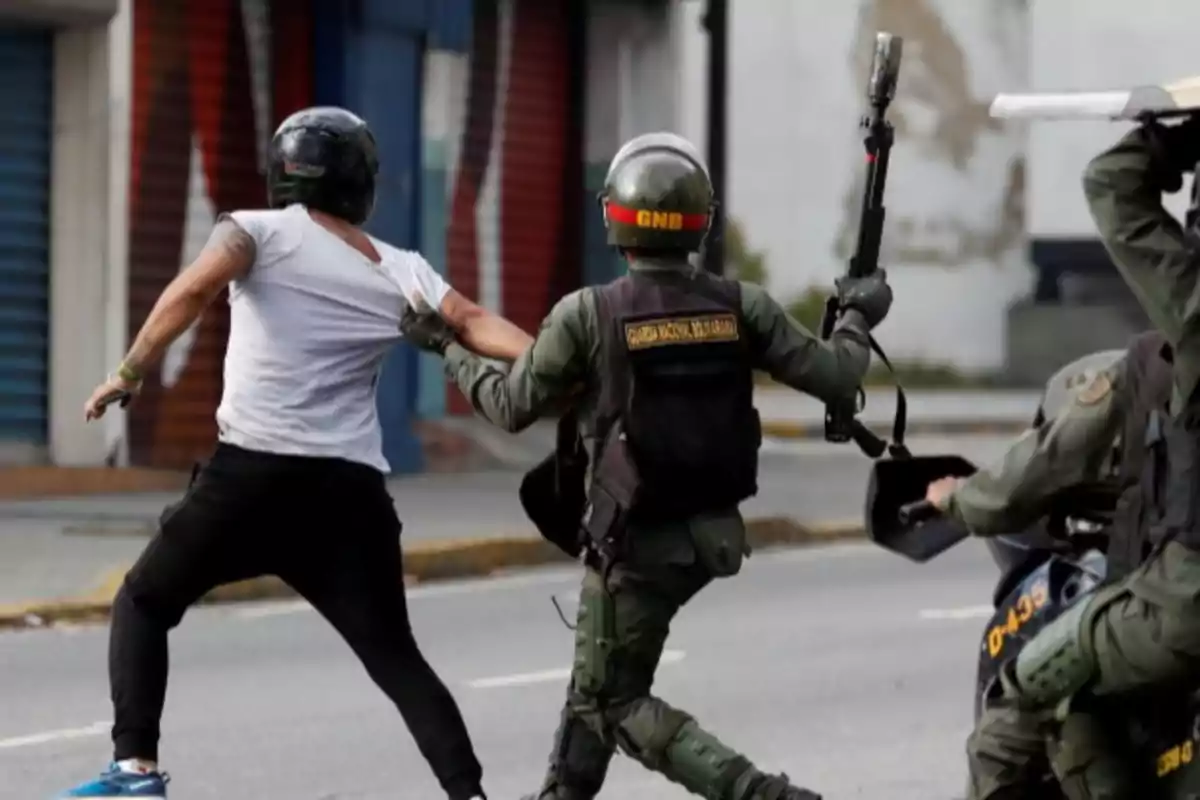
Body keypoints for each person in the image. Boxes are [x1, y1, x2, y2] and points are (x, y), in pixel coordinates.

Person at [399, 131, 894, 800]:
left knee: (612, 700)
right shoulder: (740, 305)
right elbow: (838, 374)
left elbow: (512, 407)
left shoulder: (590, 313)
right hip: (711, 535)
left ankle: (760, 795)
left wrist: (447, 348)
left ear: (615, 219)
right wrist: (858, 315)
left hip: (632, 541)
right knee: (596, 679)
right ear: (701, 221)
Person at [58, 106, 533, 800]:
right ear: (360, 183)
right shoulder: (401, 269)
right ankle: (470, 796)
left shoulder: (254, 229)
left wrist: (128, 373)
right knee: (397, 660)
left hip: (251, 480)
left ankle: (134, 772)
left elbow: (194, 289)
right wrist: (562, 358)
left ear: (283, 174)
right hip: (349, 499)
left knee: (144, 600)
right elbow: (473, 323)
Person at [969, 113, 1200, 800]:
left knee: (1029, 690)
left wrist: (1174, 137)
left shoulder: (1173, 345)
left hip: (1182, 610)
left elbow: (1110, 182)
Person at [922, 332, 1172, 800]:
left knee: (1026, 691)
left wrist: (958, 500)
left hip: (1179, 607)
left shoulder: (1163, 356)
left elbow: (1048, 461)